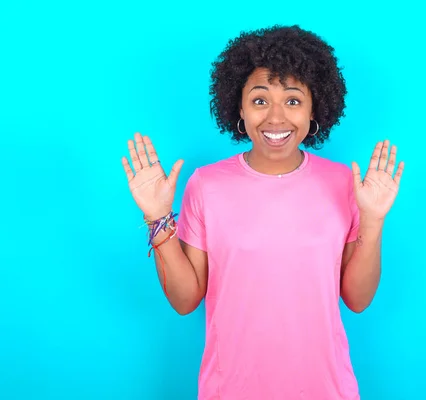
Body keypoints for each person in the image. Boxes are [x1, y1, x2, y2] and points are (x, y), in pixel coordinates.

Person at [122, 25, 404, 400]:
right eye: (259, 100)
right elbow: (185, 299)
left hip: (326, 389)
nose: (275, 118)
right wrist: (158, 217)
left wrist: (373, 220)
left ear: (313, 107)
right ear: (239, 107)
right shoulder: (206, 185)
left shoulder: (344, 184)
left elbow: (357, 298)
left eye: (292, 100)